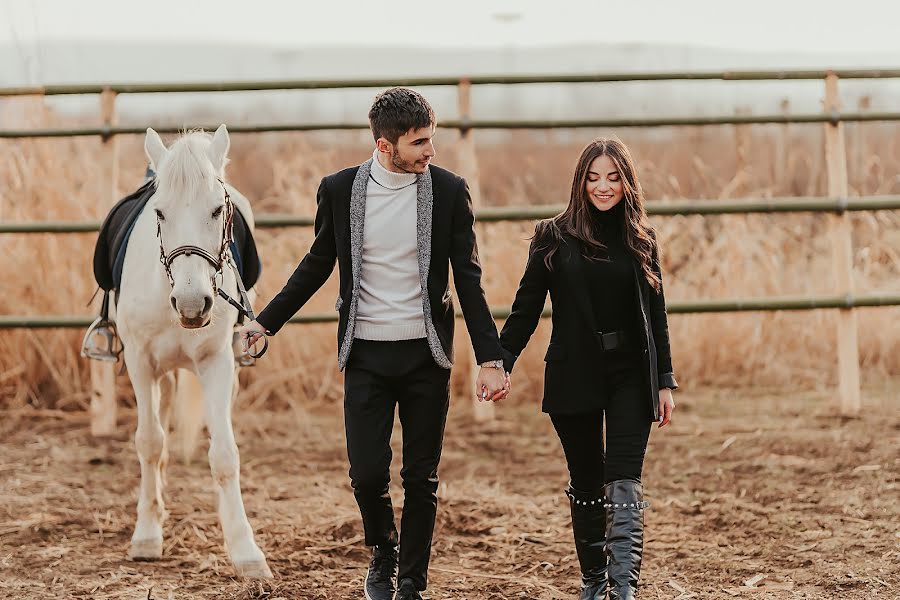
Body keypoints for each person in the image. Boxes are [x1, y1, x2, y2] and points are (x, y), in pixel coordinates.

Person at [239, 87, 509, 600]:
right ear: (385, 146)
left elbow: (468, 280)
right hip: (364, 353)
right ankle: (382, 552)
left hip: (426, 354)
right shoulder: (340, 191)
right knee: (366, 475)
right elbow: (318, 263)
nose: (431, 151)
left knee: (420, 477)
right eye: (419, 143)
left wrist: (491, 357)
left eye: (432, 139)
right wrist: (265, 322)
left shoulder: (450, 191)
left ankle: (410, 584)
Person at [498, 138, 677, 600]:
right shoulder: (552, 237)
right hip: (574, 372)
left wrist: (664, 381)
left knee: (624, 482)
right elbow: (525, 310)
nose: (603, 187)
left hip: (630, 376)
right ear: (580, 181)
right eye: (593, 177)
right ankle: (594, 582)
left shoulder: (641, 238)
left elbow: (656, 315)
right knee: (587, 484)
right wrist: (500, 363)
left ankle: (622, 589)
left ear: (627, 182)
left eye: (613, 178)